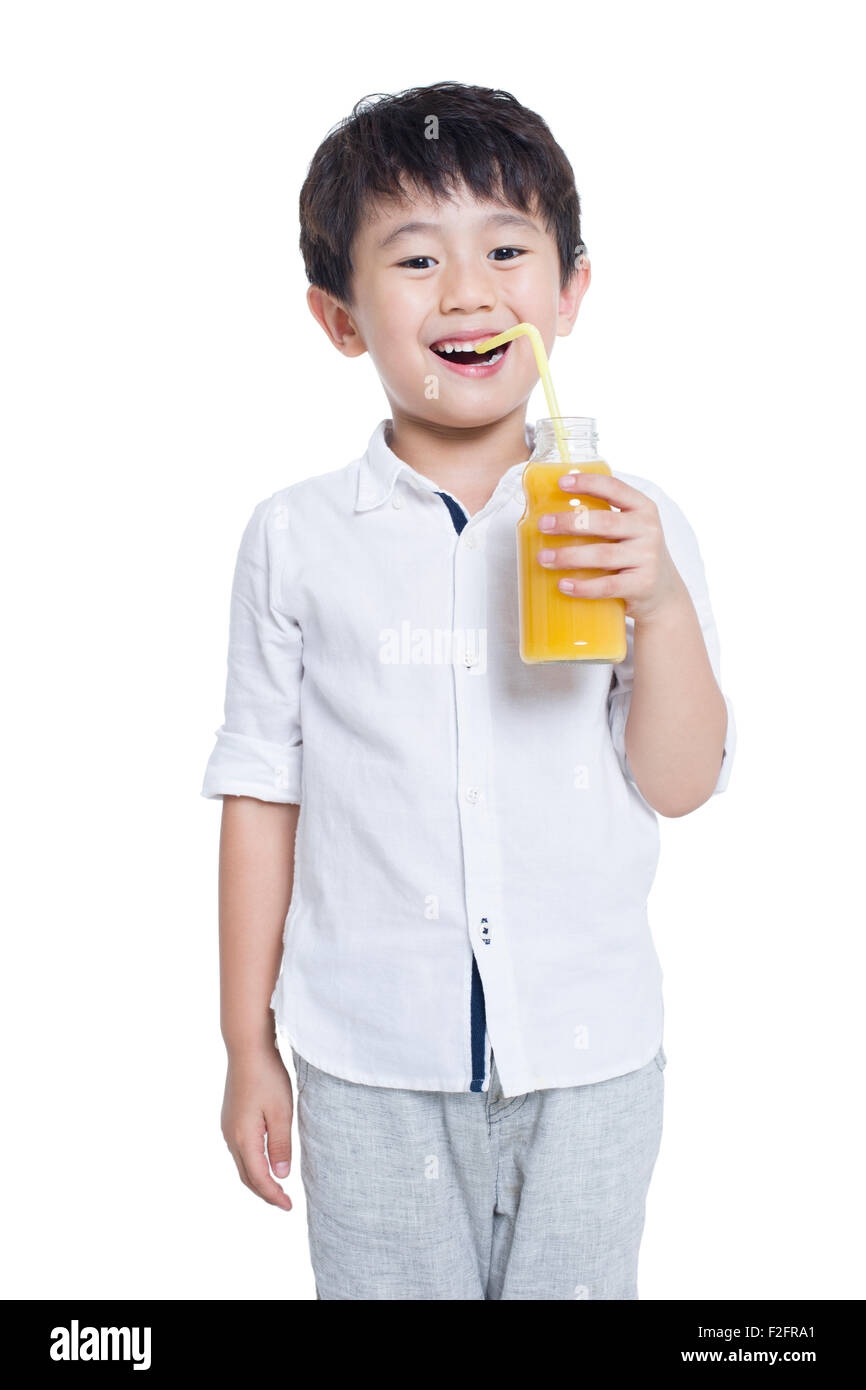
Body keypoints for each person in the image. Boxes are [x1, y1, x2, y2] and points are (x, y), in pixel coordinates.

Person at [201, 82, 736, 1301]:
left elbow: (680, 782)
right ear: (339, 317)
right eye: (413, 258)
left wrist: (655, 609)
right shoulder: (295, 539)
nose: (467, 293)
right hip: (368, 1061)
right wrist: (246, 1043)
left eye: (506, 250)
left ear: (569, 292)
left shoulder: (624, 530)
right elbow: (261, 792)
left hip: (590, 1056)